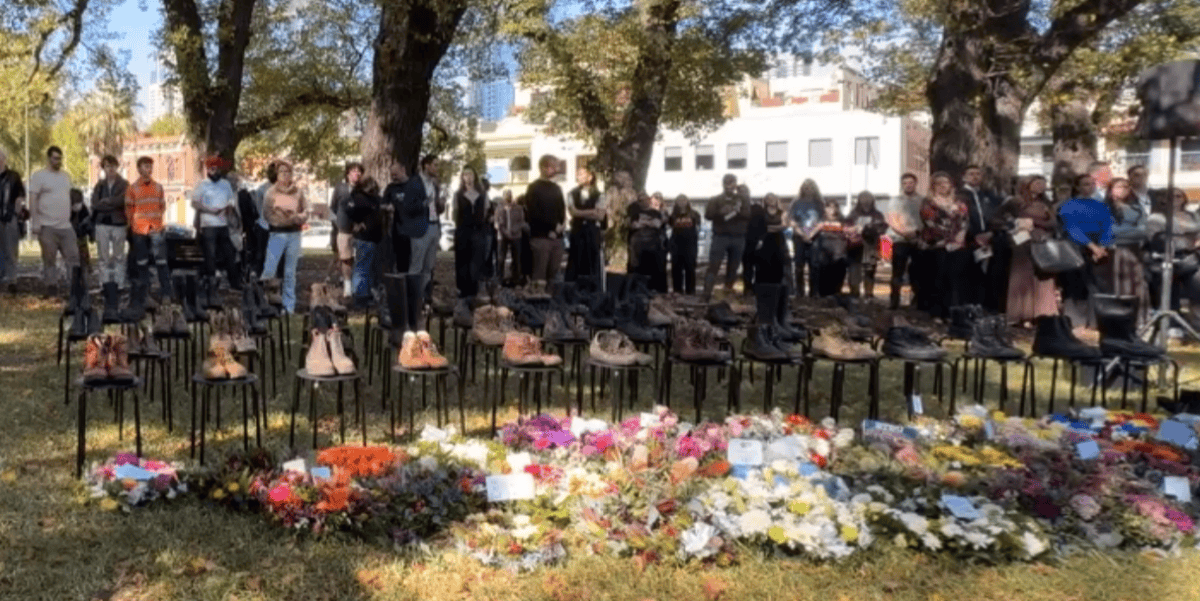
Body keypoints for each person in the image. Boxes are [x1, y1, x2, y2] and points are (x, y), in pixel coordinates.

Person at [997, 176, 1058, 326]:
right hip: (1022, 243)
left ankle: (1043, 314)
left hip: (1041, 242)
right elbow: (997, 220)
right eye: (1037, 183)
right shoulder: (1015, 202)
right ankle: (1021, 315)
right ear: (1027, 184)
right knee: (1022, 277)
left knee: (1043, 277)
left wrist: (1035, 222)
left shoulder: (1045, 203)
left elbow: (1053, 223)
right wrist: (1015, 224)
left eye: (1043, 183)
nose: (1041, 186)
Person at [1058, 173, 1113, 329]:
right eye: (1085, 184)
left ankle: (1095, 321)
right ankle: (1076, 321)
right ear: (1077, 187)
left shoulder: (1101, 205)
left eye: (1092, 184)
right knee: (1075, 284)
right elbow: (1072, 228)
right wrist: (1092, 247)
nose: (1090, 187)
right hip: (1075, 247)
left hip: (1098, 248)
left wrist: (1102, 247)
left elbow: (1107, 227)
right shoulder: (1068, 206)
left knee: (1096, 285)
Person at [28, 146, 80, 293]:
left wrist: (75, 205)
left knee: (73, 256)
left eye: (60, 159)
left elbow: (68, 195)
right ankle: (51, 285)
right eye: (55, 158)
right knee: (49, 258)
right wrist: (35, 221)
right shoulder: (39, 176)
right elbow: (32, 199)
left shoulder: (65, 176)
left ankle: (74, 286)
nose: (58, 161)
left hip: (65, 226)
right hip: (47, 226)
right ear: (48, 158)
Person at [920, 172, 971, 318]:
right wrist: (949, 239)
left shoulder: (959, 203)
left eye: (946, 183)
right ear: (933, 186)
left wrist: (960, 237)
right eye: (939, 183)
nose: (943, 186)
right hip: (937, 245)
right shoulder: (928, 203)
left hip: (957, 246)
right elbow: (931, 223)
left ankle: (953, 312)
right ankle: (937, 313)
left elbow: (964, 221)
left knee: (955, 280)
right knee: (937, 280)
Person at [261, 160, 308, 313]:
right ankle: (267, 301)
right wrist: (282, 220)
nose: (285, 175)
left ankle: (289, 306)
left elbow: (305, 211)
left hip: (294, 234)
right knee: (270, 269)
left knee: (290, 272)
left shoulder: (298, 192)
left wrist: (298, 218)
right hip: (277, 233)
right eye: (282, 172)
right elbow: (267, 214)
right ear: (277, 174)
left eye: (287, 172)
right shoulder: (271, 192)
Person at [1101, 177, 1149, 324]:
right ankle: (1121, 319)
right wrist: (1131, 231)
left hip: (1135, 251)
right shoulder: (1104, 208)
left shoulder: (1137, 208)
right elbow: (1107, 231)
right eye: (1119, 187)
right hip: (1114, 252)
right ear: (1111, 190)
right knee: (1120, 284)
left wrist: (1121, 232)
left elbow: (1143, 231)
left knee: (1138, 284)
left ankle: (1140, 318)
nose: (1123, 190)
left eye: (1126, 187)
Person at [191, 156, 242, 294]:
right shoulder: (202, 185)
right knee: (210, 254)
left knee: (229, 253)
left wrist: (228, 208)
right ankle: (211, 283)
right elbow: (194, 203)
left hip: (223, 223)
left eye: (216, 169)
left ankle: (234, 282)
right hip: (208, 225)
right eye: (212, 169)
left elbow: (231, 200)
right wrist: (209, 210)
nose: (214, 171)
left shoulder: (225, 184)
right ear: (208, 170)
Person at [400, 154, 446, 308]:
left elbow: (436, 208)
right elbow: (407, 207)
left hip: (434, 226)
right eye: (435, 165)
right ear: (426, 166)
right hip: (420, 229)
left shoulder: (435, 184)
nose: (437, 168)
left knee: (429, 267)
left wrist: (440, 205)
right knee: (416, 266)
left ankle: (422, 297)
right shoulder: (414, 182)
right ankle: (411, 299)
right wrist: (425, 203)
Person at [1146, 189, 1200, 313]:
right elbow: (1156, 241)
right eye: (1171, 196)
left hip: (1192, 258)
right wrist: (1186, 242)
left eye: (1179, 196)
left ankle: (1196, 320)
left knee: (1197, 291)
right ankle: (1170, 320)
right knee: (1169, 296)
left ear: (1184, 198)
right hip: (1167, 260)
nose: (1175, 198)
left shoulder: (1192, 215)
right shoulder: (1156, 217)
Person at [959, 164, 1004, 311]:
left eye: (978, 174)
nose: (975, 177)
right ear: (964, 177)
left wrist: (991, 232)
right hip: (968, 240)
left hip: (989, 240)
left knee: (989, 274)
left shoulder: (989, 195)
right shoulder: (959, 195)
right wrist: (973, 235)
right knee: (969, 274)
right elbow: (959, 219)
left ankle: (986, 306)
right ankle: (969, 307)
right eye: (971, 174)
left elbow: (997, 216)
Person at [125, 156, 171, 300]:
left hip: (156, 229)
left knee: (161, 262)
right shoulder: (132, 188)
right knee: (142, 263)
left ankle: (166, 293)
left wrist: (157, 222)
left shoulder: (158, 187)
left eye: (150, 166)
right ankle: (145, 294)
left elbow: (162, 206)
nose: (149, 169)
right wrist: (132, 225)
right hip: (139, 230)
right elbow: (129, 209)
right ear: (139, 169)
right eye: (145, 166)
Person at [703, 174, 751, 299]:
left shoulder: (743, 199)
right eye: (726, 182)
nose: (729, 185)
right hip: (720, 237)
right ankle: (706, 294)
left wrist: (736, 211)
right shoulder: (715, 199)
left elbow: (748, 215)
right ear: (723, 184)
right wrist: (720, 212)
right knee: (714, 265)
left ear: (735, 184)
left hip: (738, 237)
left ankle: (727, 294)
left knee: (733, 267)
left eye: (732, 182)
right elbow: (708, 215)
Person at [524, 154, 567, 294]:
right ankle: (537, 301)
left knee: (554, 276)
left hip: (557, 238)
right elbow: (533, 214)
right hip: (540, 237)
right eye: (553, 166)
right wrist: (551, 228)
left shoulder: (557, 188)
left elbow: (562, 209)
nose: (556, 170)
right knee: (539, 276)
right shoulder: (533, 188)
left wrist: (561, 226)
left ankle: (553, 303)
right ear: (543, 167)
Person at [886, 173, 925, 309]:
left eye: (911, 182)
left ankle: (917, 301)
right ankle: (894, 302)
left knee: (918, 272)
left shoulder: (922, 200)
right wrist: (904, 233)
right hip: (900, 239)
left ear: (915, 184)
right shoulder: (895, 200)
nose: (908, 185)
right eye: (905, 183)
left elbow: (926, 219)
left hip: (918, 240)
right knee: (898, 272)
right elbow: (892, 219)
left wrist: (917, 234)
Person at [90, 155, 129, 290]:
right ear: (103, 168)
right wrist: (112, 204)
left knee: (119, 256)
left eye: (113, 166)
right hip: (102, 224)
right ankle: (104, 283)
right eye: (107, 166)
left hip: (119, 224)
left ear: (117, 167)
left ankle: (119, 284)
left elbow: (123, 201)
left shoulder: (124, 184)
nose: (110, 169)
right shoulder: (99, 185)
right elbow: (95, 204)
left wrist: (107, 201)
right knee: (103, 257)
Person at [346, 175, 382, 309]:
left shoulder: (376, 199)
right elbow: (349, 211)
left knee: (371, 268)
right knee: (362, 267)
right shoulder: (358, 198)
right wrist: (357, 223)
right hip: (364, 237)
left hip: (376, 238)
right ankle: (359, 296)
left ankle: (368, 294)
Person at [565, 166, 605, 287]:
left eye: (581, 174)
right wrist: (592, 211)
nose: (578, 177)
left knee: (592, 261)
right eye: (578, 174)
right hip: (577, 231)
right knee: (575, 260)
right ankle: (573, 288)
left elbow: (600, 216)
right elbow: (573, 212)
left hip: (592, 232)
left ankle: (592, 288)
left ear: (590, 176)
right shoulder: (571, 193)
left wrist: (580, 212)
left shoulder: (600, 195)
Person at [453, 167, 489, 298]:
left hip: (478, 230)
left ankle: (474, 290)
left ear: (475, 176)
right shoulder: (458, 194)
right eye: (466, 174)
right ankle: (463, 290)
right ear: (462, 177)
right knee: (463, 260)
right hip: (463, 230)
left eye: (471, 174)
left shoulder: (482, 194)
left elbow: (485, 211)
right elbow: (455, 213)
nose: (468, 177)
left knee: (476, 260)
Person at [845, 191, 887, 298]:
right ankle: (854, 295)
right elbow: (846, 228)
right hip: (855, 247)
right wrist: (853, 231)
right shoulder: (853, 214)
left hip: (870, 246)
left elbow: (882, 229)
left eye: (868, 199)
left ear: (872, 201)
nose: (865, 202)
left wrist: (868, 229)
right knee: (854, 272)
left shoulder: (877, 215)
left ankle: (868, 295)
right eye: (863, 199)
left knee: (870, 271)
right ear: (859, 201)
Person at [331, 162, 363, 297]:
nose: (357, 174)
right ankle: (347, 286)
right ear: (348, 174)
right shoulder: (340, 188)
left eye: (359, 171)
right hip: (344, 230)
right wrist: (339, 222)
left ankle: (359, 286)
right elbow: (333, 207)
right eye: (354, 171)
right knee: (345, 259)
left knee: (360, 258)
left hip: (360, 232)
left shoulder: (363, 189)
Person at [787, 180, 822, 299]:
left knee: (814, 264)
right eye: (805, 187)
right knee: (799, 265)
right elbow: (792, 221)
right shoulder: (795, 203)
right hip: (799, 236)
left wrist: (811, 234)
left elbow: (822, 221)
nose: (808, 189)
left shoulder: (819, 203)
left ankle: (814, 292)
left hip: (815, 236)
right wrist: (802, 234)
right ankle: (799, 292)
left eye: (810, 187)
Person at [627, 191, 668, 293]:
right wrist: (648, 223)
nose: (644, 201)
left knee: (655, 270)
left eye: (646, 199)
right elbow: (634, 225)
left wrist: (643, 223)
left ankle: (656, 291)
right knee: (637, 270)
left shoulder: (656, 212)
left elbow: (657, 224)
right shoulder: (634, 211)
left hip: (654, 245)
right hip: (638, 246)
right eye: (641, 200)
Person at [808, 200, 850, 297]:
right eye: (829, 207)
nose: (832, 210)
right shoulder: (819, 220)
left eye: (834, 207)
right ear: (825, 209)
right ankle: (822, 295)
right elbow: (809, 235)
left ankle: (835, 294)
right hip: (824, 252)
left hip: (839, 252)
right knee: (823, 274)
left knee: (838, 274)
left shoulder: (843, 220)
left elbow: (849, 233)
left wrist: (843, 229)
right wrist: (818, 228)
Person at [749, 193, 791, 287]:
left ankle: (777, 285)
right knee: (763, 262)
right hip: (764, 239)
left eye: (772, 198)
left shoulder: (782, 212)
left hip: (778, 239)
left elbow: (784, 226)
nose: (770, 200)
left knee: (778, 261)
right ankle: (762, 285)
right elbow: (758, 226)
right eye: (768, 199)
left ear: (776, 200)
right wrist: (774, 227)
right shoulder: (762, 212)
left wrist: (767, 227)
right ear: (765, 201)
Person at [0, 150, 27, 288]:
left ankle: (12, 280)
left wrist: (19, 206)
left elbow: (21, 195)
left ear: (5, 159)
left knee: (11, 250)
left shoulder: (13, 176)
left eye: (1, 158)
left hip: (10, 217)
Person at [668, 195, 701, 295]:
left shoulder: (694, 214)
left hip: (690, 244)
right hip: (676, 244)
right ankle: (677, 290)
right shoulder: (673, 215)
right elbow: (670, 226)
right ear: (676, 202)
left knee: (690, 267)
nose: (682, 202)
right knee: (676, 268)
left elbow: (698, 226)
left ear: (687, 202)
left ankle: (690, 291)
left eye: (684, 200)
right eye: (679, 200)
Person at [382, 163, 410, 273]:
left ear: (403, 170)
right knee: (399, 258)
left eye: (396, 174)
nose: (394, 177)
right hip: (397, 228)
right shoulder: (391, 188)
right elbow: (382, 204)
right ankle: (400, 277)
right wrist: (387, 207)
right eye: (392, 175)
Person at [496, 190, 527, 286]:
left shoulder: (518, 208)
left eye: (509, 195)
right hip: (502, 236)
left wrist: (514, 230)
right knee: (501, 259)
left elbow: (522, 222)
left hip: (516, 235)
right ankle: (499, 280)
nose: (508, 197)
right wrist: (505, 232)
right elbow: (497, 223)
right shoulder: (499, 208)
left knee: (516, 258)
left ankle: (516, 279)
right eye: (506, 195)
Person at [741, 185, 764, 293]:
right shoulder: (736, 209)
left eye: (745, 191)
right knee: (746, 266)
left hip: (756, 241)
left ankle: (758, 288)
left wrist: (761, 239)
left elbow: (763, 225)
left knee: (759, 266)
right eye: (740, 192)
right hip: (742, 241)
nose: (743, 194)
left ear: (749, 193)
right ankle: (747, 289)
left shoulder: (757, 208)